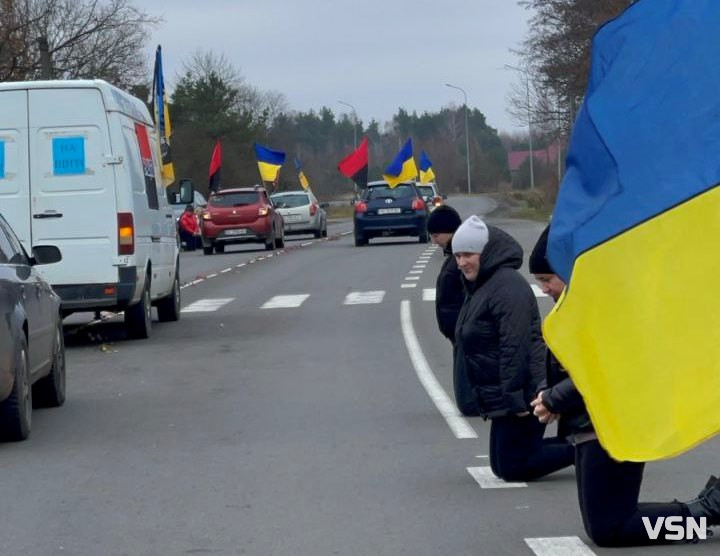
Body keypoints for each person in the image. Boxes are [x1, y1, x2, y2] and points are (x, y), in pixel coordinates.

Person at [529, 225, 720, 547]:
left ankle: (704, 515)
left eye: (548, 280)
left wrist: (554, 399)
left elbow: (606, 367)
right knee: (605, 525)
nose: (545, 289)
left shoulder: (607, 306)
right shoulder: (577, 307)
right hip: (594, 422)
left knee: (610, 528)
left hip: (616, 422)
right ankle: (702, 515)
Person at [453, 216, 574, 481]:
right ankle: (580, 446)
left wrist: (516, 401)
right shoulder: (483, 285)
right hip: (505, 394)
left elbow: (516, 347)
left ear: (484, 253)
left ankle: (587, 449)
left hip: (522, 391)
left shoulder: (507, 287)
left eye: (468, 254)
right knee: (500, 465)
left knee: (513, 467)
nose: (462, 262)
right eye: (458, 255)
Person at [427, 205, 477, 416]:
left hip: (465, 331)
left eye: (436, 235)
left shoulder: (461, 260)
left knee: (467, 393)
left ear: (449, 231)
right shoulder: (453, 257)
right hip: (459, 330)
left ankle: (475, 403)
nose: (434, 240)